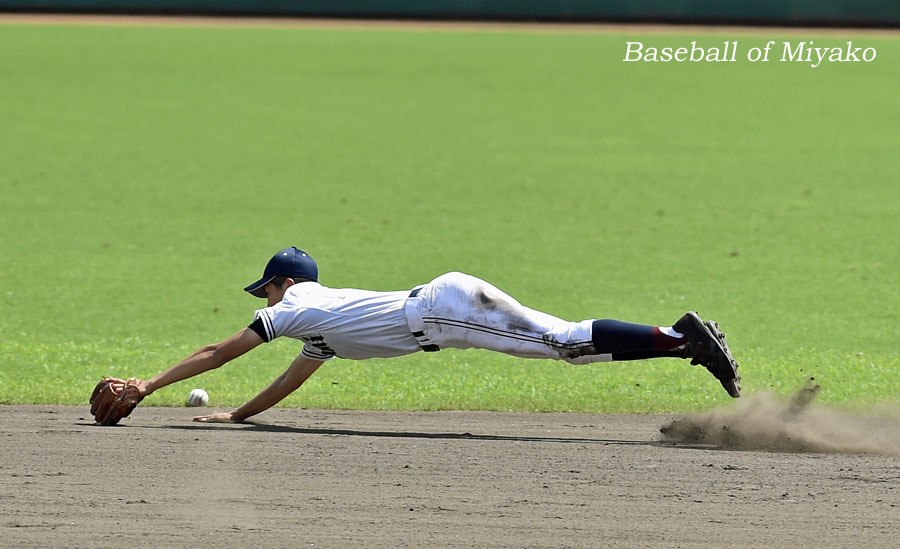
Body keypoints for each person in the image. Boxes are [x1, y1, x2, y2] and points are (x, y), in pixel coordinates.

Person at [98, 246, 740, 425]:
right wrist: (236, 415)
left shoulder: (298, 304)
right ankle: (682, 343)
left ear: (278, 285)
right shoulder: (321, 326)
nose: (263, 299)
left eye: (264, 288)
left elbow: (221, 350)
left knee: (566, 344)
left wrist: (147, 384)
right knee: (566, 345)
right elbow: (285, 381)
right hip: (443, 306)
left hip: (439, 310)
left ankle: (681, 338)